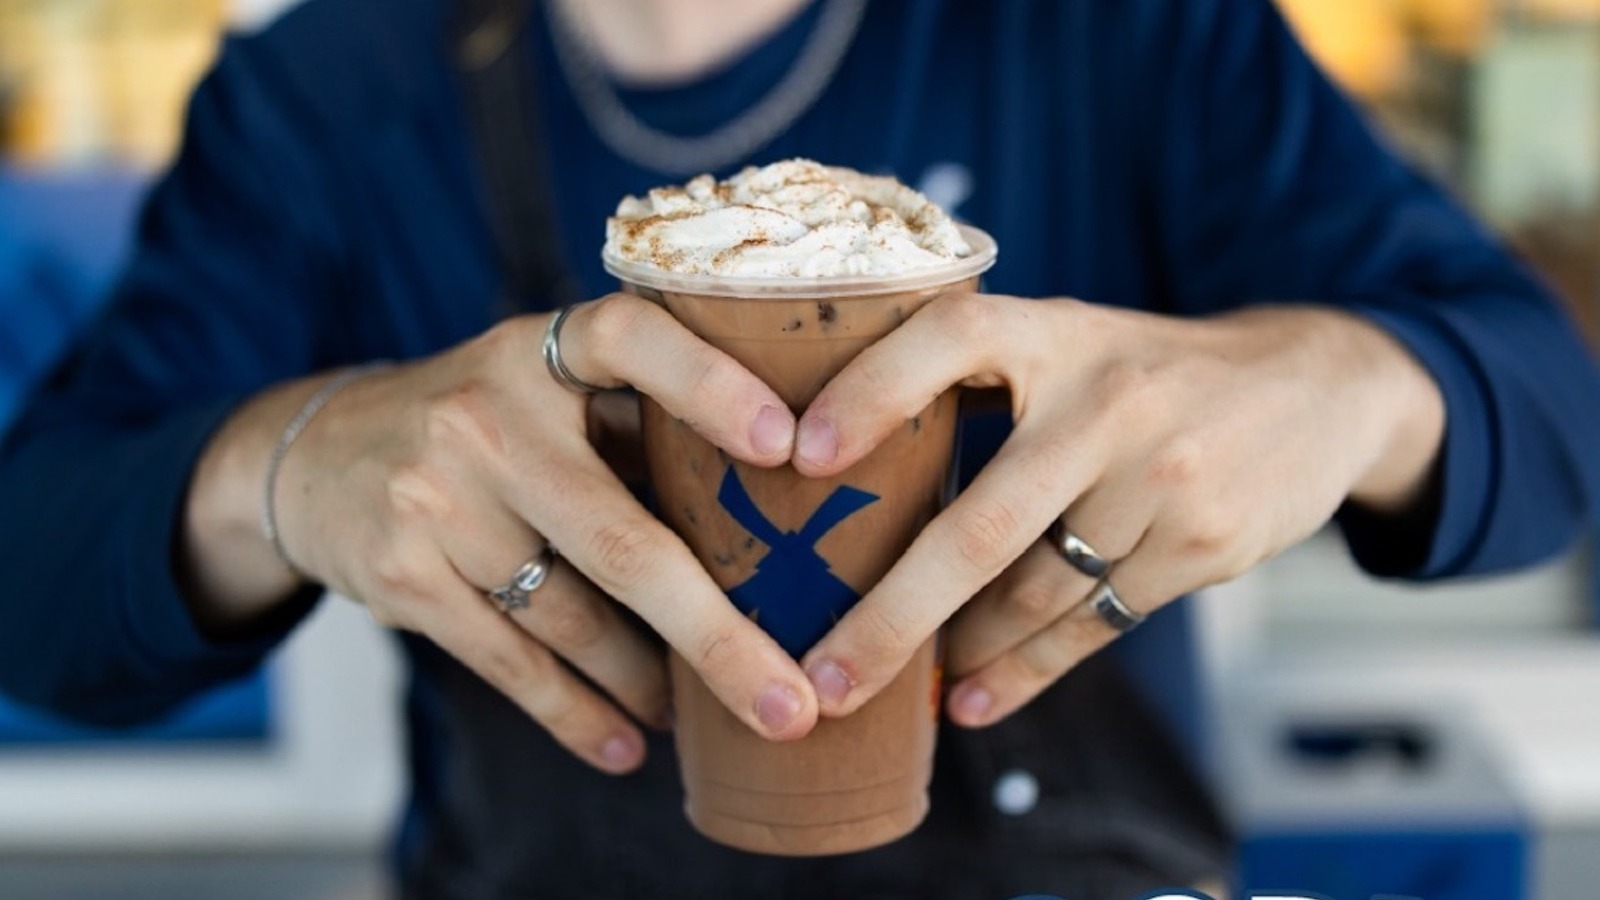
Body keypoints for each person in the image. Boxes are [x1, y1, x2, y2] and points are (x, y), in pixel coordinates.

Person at [2, 0, 1596, 896]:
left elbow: (1549, 403)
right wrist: (285, 462)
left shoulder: (1127, 34)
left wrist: (1345, 379)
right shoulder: (318, 104)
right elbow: (34, 588)